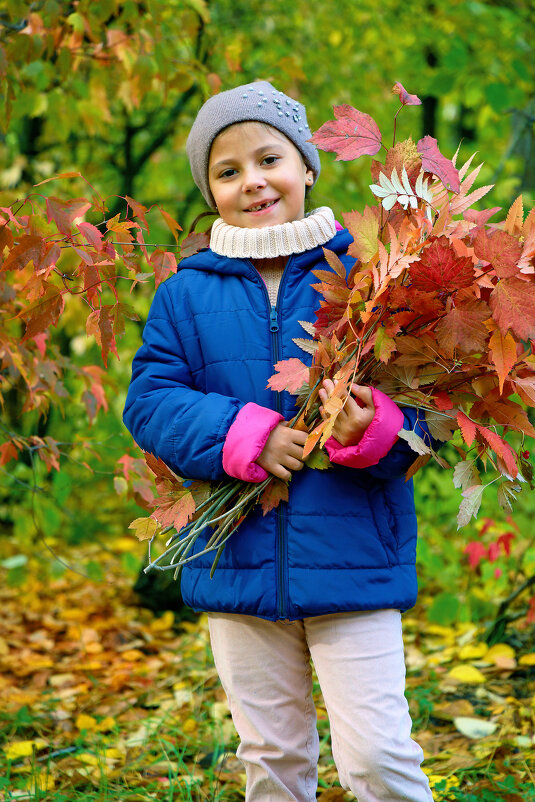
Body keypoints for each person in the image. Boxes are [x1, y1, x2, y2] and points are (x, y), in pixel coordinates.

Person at [123, 80, 435, 802]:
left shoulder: (370, 277)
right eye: (227, 171)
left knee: (378, 761)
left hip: (355, 559)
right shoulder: (185, 293)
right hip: (235, 563)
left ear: (305, 167)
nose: (252, 181)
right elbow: (151, 400)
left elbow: (427, 414)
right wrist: (245, 435)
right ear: (210, 189)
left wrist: (375, 427)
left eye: (268, 159)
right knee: (270, 761)